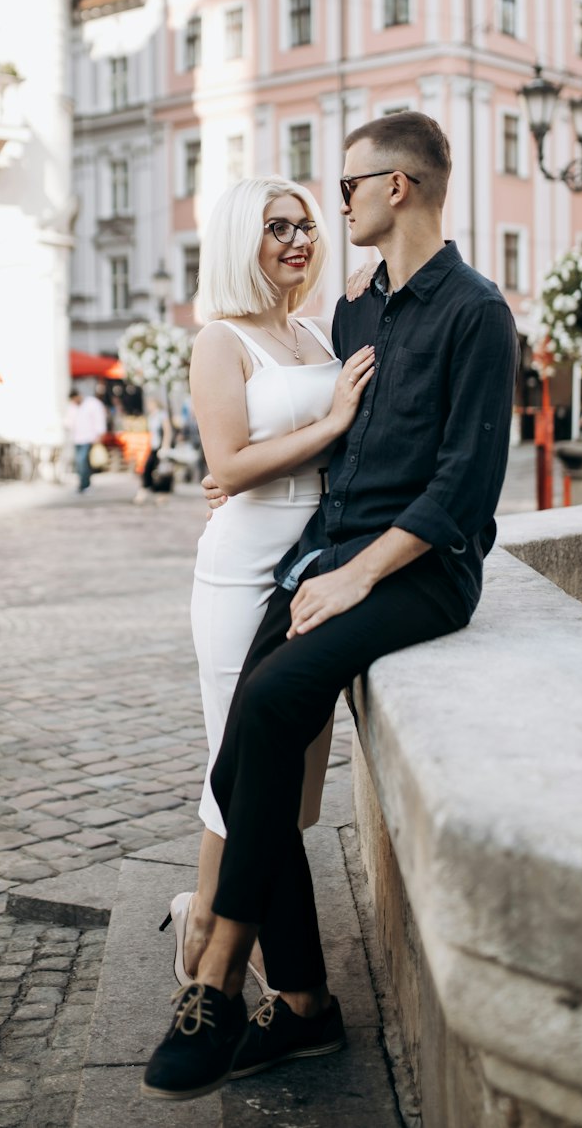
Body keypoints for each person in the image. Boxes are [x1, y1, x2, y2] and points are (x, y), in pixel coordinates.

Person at [142, 112, 519, 1101]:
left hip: (416, 573)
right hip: (321, 560)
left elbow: (464, 491)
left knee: (266, 710)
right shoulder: (359, 312)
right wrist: (254, 486)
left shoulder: (475, 311)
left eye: (344, 188)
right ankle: (299, 1004)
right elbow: (325, 436)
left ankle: (216, 984)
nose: (330, 205)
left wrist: (358, 574)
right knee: (247, 749)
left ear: (394, 188)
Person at [161, 176, 375, 1000]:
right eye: (276, 227)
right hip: (243, 570)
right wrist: (329, 426)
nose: (299, 239)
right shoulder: (221, 339)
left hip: (312, 568)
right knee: (246, 770)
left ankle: (211, 918)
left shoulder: (318, 333)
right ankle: (222, 940)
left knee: (296, 782)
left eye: (308, 226)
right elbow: (228, 467)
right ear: (240, 240)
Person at [64, 388, 107, 494]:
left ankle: (84, 484)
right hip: (77, 438)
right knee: (81, 462)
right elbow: (69, 422)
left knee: (82, 460)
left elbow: (99, 419)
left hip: (89, 438)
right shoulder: (72, 407)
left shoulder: (92, 404)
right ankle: (84, 482)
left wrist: (99, 434)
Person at [136, 397, 174, 503]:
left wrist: (165, 446)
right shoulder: (151, 416)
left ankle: (158, 493)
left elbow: (167, 431)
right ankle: (148, 490)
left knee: (160, 471)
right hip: (153, 446)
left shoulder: (162, 415)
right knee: (149, 469)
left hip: (160, 447)